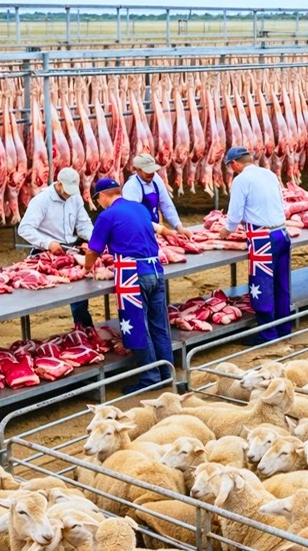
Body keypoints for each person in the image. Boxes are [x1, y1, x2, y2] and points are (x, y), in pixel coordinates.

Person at [83, 177, 174, 394]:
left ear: (103, 196)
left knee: (137, 327)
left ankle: (150, 378)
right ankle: (167, 373)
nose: (99, 203)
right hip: (155, 269)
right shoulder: (139, 208)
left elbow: (93, 250)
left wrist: (86, 268)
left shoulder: (107, 215)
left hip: (132, 274)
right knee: (159, 325)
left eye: (98, 199)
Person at [222, 146, 291, 343]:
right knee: (281, 283)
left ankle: (267, 332)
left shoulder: (241, 180)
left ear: (234, 163)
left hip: (263, 238)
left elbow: (235, 213)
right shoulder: (268, 174)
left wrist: (226, 230)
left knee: (262, 283)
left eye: (230, 166)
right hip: (281, 232)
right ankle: (284, 326)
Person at [17, 167, 95, 328]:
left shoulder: (75, 198)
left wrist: (95, 241)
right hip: (45, 255)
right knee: (41, 293)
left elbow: (83, 225)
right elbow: (25, 228)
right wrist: (48, 243)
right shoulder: (41, 200)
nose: (69, 194)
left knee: (79, 292)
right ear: (59, 184)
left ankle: (84, 329)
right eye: (67, 190)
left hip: (70, 251)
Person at [122, 153, 189, 235]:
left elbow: (166, 205)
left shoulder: (155, 178)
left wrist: (179, 226)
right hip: (138, 234)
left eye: (153, 170)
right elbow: (135, 217)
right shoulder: (131, 187)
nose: (151, 174)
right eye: (148, 171)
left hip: (155, 232)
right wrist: (162, 230)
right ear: (138, 170)